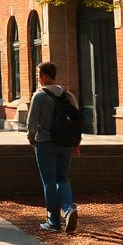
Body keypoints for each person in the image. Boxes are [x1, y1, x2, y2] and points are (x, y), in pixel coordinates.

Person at [26, 61, 81, 233]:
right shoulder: (68, 95)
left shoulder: (39, 96)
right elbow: (77, 122)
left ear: (44, 76)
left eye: (38, 75)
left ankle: (53, 221)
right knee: (62, 178)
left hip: (45, 142)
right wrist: (76, 143)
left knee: (49, 181)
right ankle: (68, 208)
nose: (38, 78)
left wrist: (31, 138)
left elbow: (31, 123)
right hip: (66, 144)